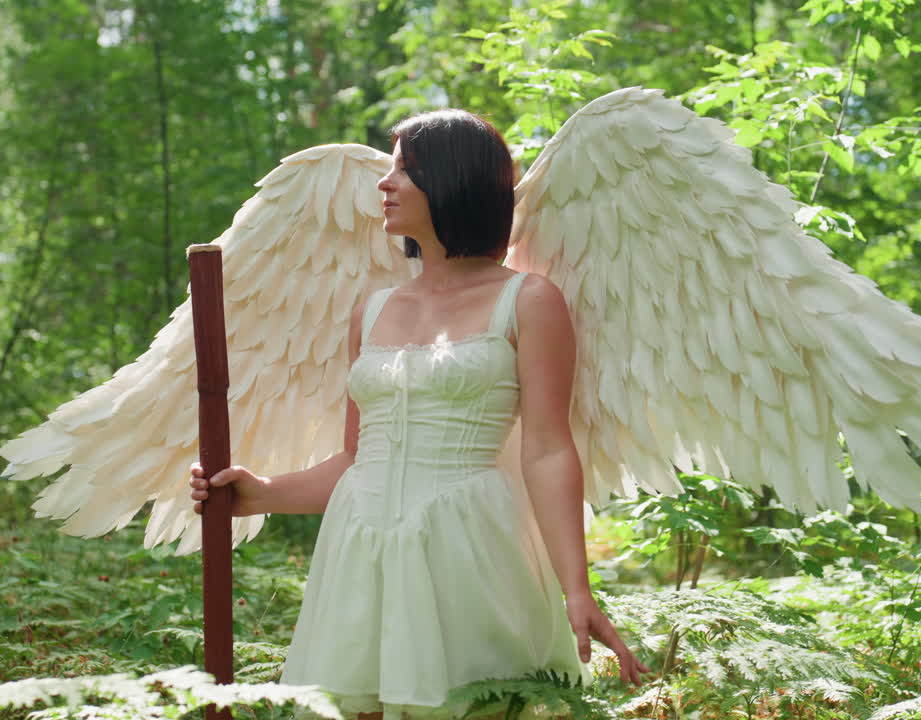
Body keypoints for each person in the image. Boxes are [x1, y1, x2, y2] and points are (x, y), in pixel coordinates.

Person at [189, 109, 648, 719]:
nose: (385, 184)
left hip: (465, 545)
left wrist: (577, 588)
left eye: (404, 170)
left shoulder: (528, 300)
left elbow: (546, 450)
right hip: (359, 548)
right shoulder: (372, 310)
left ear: (454, 180)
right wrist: (258, 493)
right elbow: (359, 458)